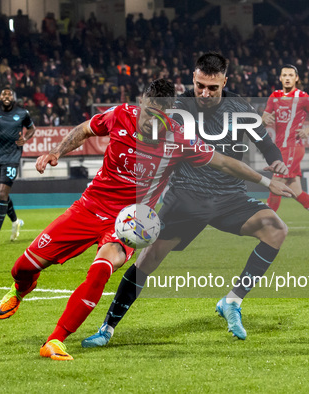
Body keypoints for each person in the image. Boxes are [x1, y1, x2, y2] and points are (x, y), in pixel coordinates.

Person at [0, 78, 294, 361]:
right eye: (150, 112)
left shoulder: (178, 138)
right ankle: (22, 287)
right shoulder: (120, 115)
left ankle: (56, 339)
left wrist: (267, 183)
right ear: (142, 102)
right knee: (22, 267)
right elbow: (85, 129)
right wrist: (56, 151)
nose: (154, 121)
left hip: (128, 222)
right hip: (88, 207)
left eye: (162, 115)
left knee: (101, 270)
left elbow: (224, 161)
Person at [82, 53, 291, 348]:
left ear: (224, 82)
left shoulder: (241, 109)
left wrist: (277, 163)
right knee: (148, 261)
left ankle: (231, 301)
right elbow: (145, 139)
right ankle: (107, 328)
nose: (204, 93)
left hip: (231, 197)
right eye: (200, 85)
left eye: (212, 88)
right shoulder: (176, 108)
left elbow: (267, 146)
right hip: (186, 198)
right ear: (193, 79)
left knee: (276, 229)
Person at [262, 64, 309, 237]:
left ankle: (268, 225)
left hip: (293, 148)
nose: (288, 78)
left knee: (276, 183)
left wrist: (306, 131)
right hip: (280, 147)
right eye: (285, 75)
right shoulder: (274, 97)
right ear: (280, 78)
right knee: (296, 191)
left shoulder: (304, 98)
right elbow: (264, 119)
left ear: (296, 78)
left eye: (291, 75)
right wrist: (264, 119)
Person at [0, 87, 35, 246]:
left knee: (3, 193)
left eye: (10, 94)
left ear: (13, 97)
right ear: (0, 97)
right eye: (4, 94)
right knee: (2, 195)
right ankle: (15, 221)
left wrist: (26, 137)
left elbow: (32, 129)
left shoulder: (23, 113)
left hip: (13, 157)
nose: (7, 96)